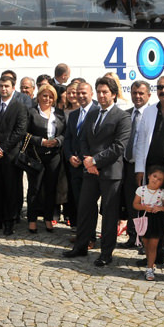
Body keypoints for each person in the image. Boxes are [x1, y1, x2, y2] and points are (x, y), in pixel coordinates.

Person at [63, 76, 131, 267]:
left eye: (105, 92)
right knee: (85, 209)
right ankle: (81, 246)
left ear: (114, 94)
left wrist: (95, 160)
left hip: (111, 173)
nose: (101, 95)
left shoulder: (122, 117)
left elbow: (119, 146)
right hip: (90, 171)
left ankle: (106, 253)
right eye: (99, 91)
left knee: (109, 214)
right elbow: (84, 139)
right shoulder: (92, 114)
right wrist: (87, 159)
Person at [132, 75, 164, 267]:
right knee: (153, 215)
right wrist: (139, 169)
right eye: (161, 87)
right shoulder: (149, 111)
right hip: (151, 172)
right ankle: (155, 256)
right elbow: (141, 142)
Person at [0, 75, 28, 236]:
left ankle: (9, 221)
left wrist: (2, 148)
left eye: (7, 86)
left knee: (10, 188)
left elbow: (20, 131)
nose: (3, 89)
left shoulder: (19, 106)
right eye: (1, 85)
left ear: (13, 87)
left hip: (10, 155)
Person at [25, 83, 66, 233]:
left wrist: (58, 141)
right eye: (44, 95)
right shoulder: (31, 113)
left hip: (54, 155)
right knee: (34, 188)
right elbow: (25, 133)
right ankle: (32, 219)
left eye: (50, 96)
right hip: (36, 155)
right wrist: (41, 141)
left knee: (51, 188)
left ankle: (48, 218)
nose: (47, 99)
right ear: (38, 96)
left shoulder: (60, 114)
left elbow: (65, 133)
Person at [62, 81, 96, 229]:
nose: (80, 96)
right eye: (78, 93)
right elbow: (67, 138)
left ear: (91, 94)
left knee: (89, 203)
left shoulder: (97, 112)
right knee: (78, 201)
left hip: (91, 166)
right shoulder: (74, 115)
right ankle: (81, 233)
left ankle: (90, 236)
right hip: (75, 166)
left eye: (84, 93)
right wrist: (69, 156)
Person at [121, 80, 151, 247]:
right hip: (127, 165)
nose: (137, 96)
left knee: (144, 205)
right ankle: (132, 236)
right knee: (130, 203)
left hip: (145, 167)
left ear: (148, 95)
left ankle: (143, 239)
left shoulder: (152, 114)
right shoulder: (127, 114)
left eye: (141, 93)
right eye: (134, 93)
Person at [133, 165, 164, 281]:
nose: (156, 180)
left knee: (153, 245)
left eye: (159, 179)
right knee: (146, 244)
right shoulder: (141, 190)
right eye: (154, 176)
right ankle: (150, 261)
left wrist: (160, 208)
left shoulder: (163, 193)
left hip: (157, 220)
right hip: (145, 219)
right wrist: (144, 207)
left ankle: (150, 268)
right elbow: (135, 204)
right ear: (149, 176)